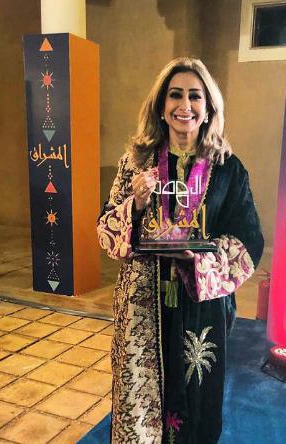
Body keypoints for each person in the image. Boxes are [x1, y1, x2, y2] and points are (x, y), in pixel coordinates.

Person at [97, 57, 264, 444]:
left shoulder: (228, 169)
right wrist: (135, 204)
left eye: (194, 96)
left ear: (208, 108)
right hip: (142, 304)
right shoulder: (134, 163)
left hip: (200, 303)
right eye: (175, 95)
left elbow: (248, 240)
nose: (184, 105)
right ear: (161, 106)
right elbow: (104, 231)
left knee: (197, 399)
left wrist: (201, 259)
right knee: (141, 400)